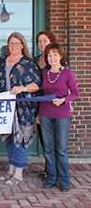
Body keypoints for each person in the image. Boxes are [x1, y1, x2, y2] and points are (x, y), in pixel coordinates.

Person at [0, 32, 41, 186]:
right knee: (9, 140)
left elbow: (37, 85)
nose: (13, 46)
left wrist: (23, 87)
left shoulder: (28, 63)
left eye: (16, 43)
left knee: (19, 140)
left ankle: (19, 174)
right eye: (10, 43)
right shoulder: (0, 61)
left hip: (22, 108)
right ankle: (11, 170)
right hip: (4, 108)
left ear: (22, 45)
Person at [38, 42, 79, 192]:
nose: (52, 57)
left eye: (55, 54)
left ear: (61, 56)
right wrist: (38, 114)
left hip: (62, 115)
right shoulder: (44, 73)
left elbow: (75, 93)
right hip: (45, 114)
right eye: (49, 55)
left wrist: (64, 100)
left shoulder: (68, 73)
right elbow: (42, 94)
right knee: (48, 148)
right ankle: (51, 178)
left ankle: (63, 181)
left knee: (61, 149)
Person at [33, 30, 56, 181]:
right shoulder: (34, 61)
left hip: (55, 105)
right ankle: (49, 169)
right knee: (45, 140)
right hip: (39, 105)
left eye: (45, 40)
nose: (42, 44)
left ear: (51, 41)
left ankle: (55, 171)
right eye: (39, 41)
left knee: (55, 141)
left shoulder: (56, 59)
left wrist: (69, 102)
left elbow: (67, 83)